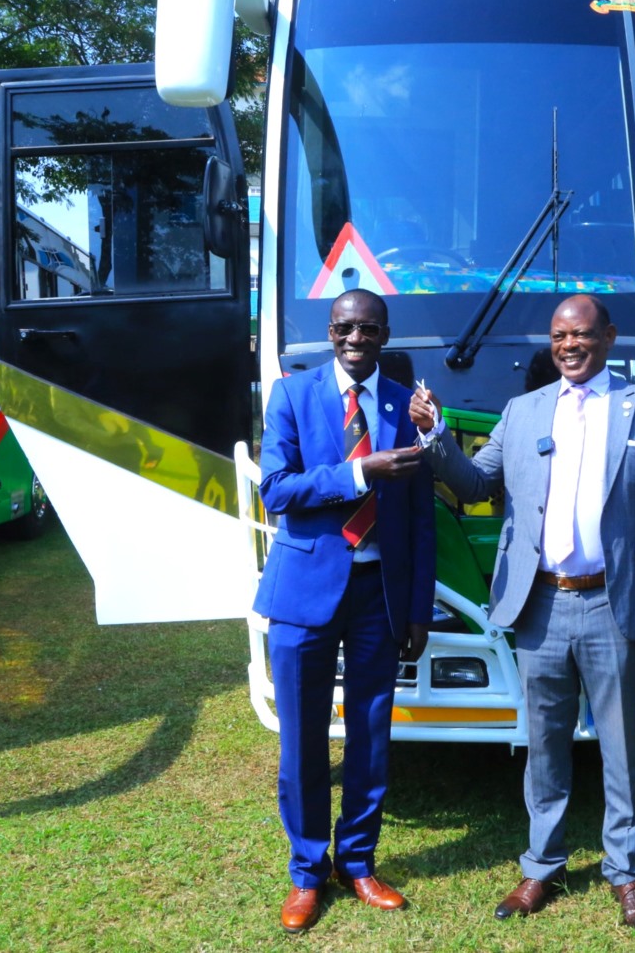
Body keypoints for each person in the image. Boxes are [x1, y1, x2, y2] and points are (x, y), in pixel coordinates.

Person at [408, 294, 635, 939]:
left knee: (622, 747)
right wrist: (433, 435)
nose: (570, 345)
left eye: (583, 335)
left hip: (613, 603)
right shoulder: (523, 410)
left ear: (609, 338)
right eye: (561, 335)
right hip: (538, 603)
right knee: (544, 745)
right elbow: (477, 485)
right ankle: (543, 864)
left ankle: (626, 873)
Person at [253, 288, 435, 934]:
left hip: (377, 598)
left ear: (385, 334)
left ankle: (357, 863)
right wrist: (360, 474)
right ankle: (307, 873)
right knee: (302, 739)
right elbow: (277, 490)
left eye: (369, 328)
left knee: (370, 735)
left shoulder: (405, 402)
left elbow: (419, 518)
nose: (356, 338)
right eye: (345, 327)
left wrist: (417, 608)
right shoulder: (292, 396)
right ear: (330, 332)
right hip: (304, 595)